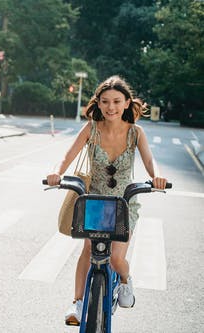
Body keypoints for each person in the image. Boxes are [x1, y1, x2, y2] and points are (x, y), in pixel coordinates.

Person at [46, 75, 167, 326]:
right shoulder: (91, 128)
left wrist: (157, 176)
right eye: (105, 101)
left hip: (124, 203)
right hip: (95, 201)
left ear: (126, 104)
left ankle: (125, 280)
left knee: (115, 259)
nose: (110, 107)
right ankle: (77, 304)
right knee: (88, 250)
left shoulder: (136, 132)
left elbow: (149, 160)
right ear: (98, 104)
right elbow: (68, 154)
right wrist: (57, 172)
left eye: (116, 101)